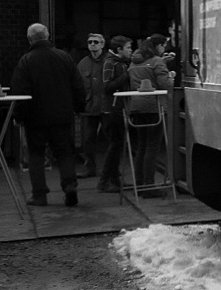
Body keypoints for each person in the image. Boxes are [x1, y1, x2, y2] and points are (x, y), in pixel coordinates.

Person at [9, 23, 85, 207]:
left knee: (36, 155)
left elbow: (20, 93)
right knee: (65, 153)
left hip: (35, 118)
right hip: (62, 115)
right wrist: (79, 108)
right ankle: (69, 187)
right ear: (48, 35)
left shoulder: (26, 61)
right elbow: (78, 86)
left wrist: (19, 116)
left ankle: (39, 195)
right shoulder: (64, 57)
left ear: (29, 39)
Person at [128, 34, 175, 197]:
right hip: (155, 107)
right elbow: (165, 84)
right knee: (152, 146)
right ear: (158, 46)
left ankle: (139, 184)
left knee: (141, 146)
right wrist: (171, 76)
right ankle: (149, 185)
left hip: (136, 107)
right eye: (163, 46)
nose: (164, 49)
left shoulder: (134, 61)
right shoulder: (157, 61)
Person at [97, 36, 134, 193]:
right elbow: (107, 86)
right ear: (119, 49)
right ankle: (104, 181)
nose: (130, 50)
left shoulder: (119, 63)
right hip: (112, 109)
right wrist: (126, 75)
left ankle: (114, 179)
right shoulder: (110, 63)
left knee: (117, 145)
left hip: (118, 108)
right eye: (128, 48)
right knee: (115, 145)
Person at [76, 33, 108, 179]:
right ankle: (90, 168)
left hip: (106, 107)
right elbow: (77, 85)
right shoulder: (82, 64)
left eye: (96, 42)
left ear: (102, 44)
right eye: (90, 42)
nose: (92, 44)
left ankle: (110, 170)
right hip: (90, 108)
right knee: (88, 140)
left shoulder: (109, 61)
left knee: (111, 139)